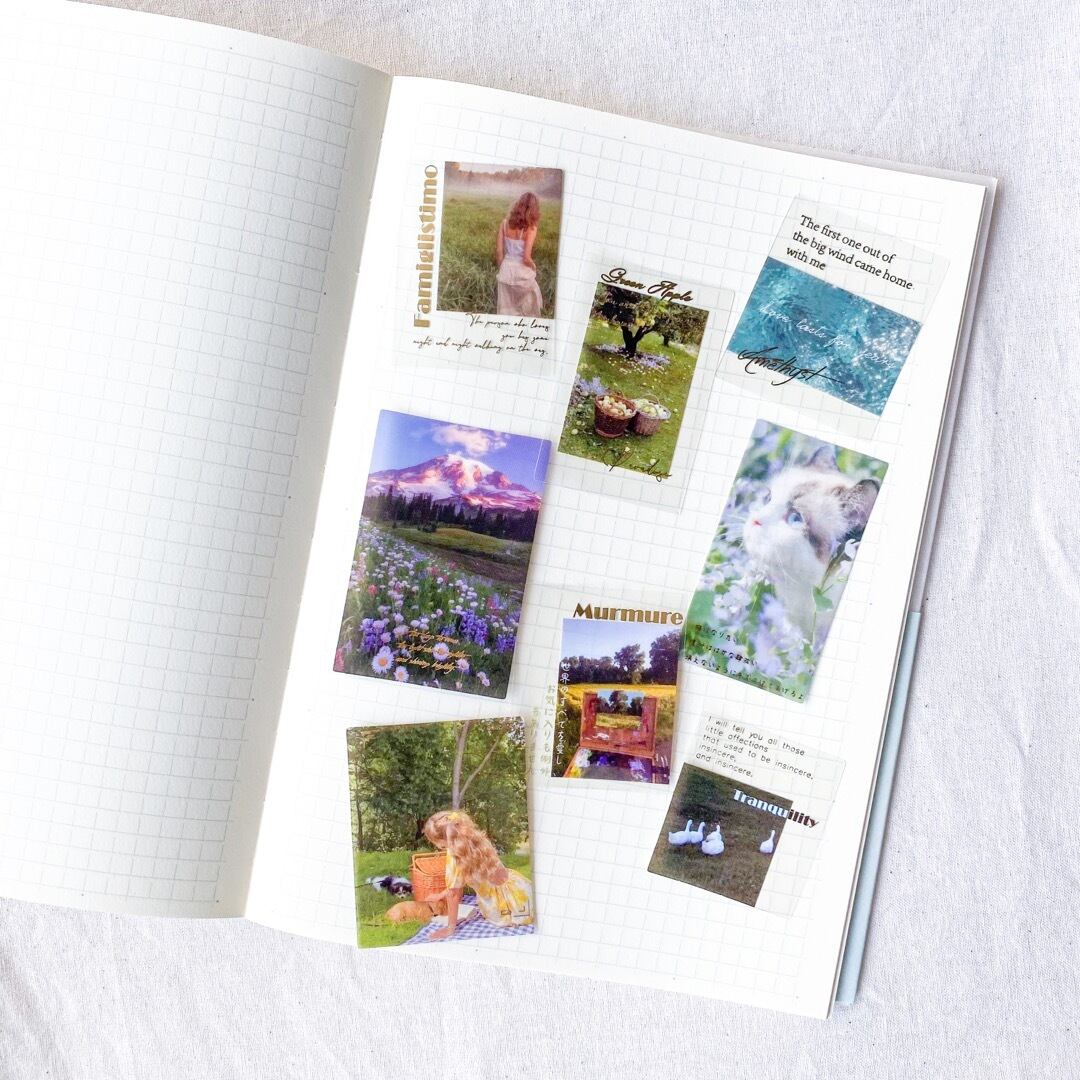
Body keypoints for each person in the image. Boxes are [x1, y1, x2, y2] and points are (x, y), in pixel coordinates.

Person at [422, 809, 534, 941]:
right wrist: (441, 895)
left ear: (441, 841)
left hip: (504, 908)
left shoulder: (454, 856)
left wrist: (450, 927)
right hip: (521, 892)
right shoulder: (477, 839)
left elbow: (454, 894)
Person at [495, 192, 543, 316]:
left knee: (506, 310)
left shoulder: (504, 223)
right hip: (522, 272)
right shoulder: (531, 228)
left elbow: (499, 251)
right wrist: (534, 266)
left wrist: (502, 268)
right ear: (534, 210)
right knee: (528, 309)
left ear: (518, 205)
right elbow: (526, 258)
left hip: (506, 269)